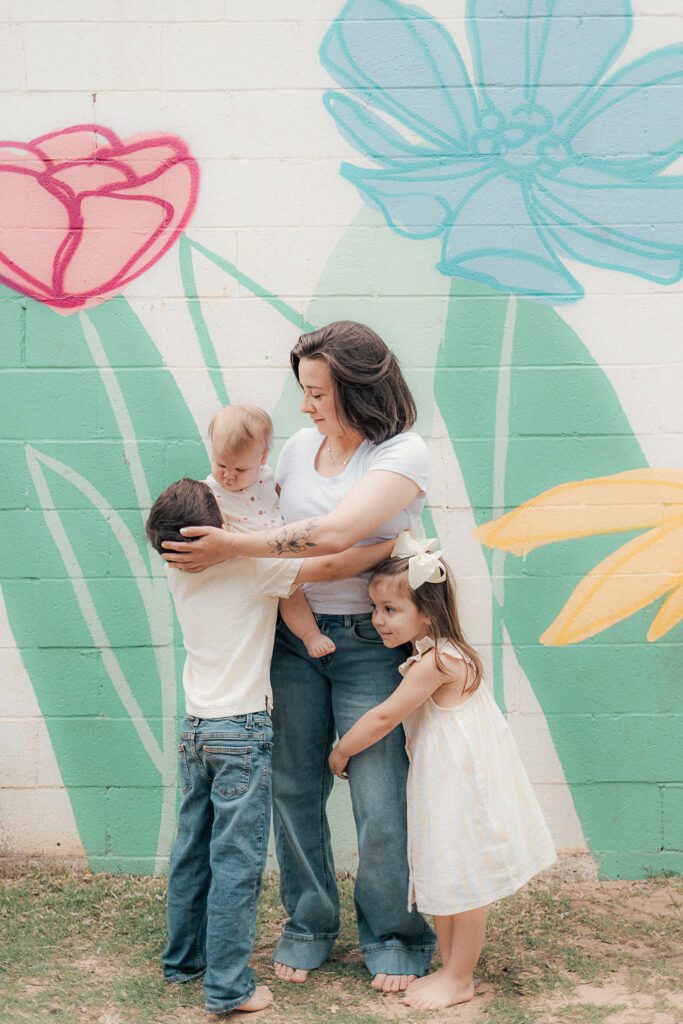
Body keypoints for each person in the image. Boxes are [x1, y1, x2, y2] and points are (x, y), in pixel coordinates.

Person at [161, 321, 436, 991]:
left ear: (354, 387)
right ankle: (309, 924)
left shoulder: (402, 452)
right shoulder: (295, 451)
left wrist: (240, 553)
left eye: (316, 393)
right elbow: (304, 540)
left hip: (369, 645)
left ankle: (394, 932)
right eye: (303, 392)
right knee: (293, 791)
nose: (306, 408)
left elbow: (334, 535)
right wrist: (357, 554)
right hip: (292, 642)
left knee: (377, 798)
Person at [146, 476, 394, 1015]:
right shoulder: (252, 565)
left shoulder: (177, 572)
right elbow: (329, 567)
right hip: (242, 731)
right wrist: (390, 546)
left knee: (193, 849)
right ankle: (229, 988)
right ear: (217, 529)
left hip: (195, 732)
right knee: (236, 860)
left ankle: (183, 961)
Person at [329, 533, 557, 1011]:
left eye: (391, 610)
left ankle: (459, 976)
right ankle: (453, 967)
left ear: (427, 613)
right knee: (448, 873)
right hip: (446, 782)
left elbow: (384, 716)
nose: (377, 620)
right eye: (375, 608)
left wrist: (342, 750)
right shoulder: (439, 652)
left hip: (460, 785)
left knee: (465, 878)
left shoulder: (435, 662)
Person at [206, 403, 335, 658]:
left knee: (293, 595)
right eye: (221, 465)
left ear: (262, 459)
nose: (229, 476)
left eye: (240, 469)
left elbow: (280, 498)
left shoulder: (266, 477)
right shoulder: (210, 490)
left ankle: (311, 636)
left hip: (277, 553)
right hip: (247, 561)